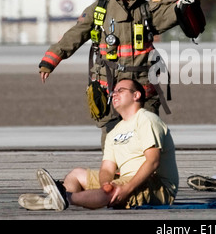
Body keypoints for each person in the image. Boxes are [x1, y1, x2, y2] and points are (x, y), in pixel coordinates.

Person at [38, 0, 206, 148]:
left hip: (143, 90)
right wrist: (50, 61)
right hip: (109, 91)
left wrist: (185, 5)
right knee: (113, 145)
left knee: (149, 143)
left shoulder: (147, 10)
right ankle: (112, 179)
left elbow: (170, 12)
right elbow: (75, 35)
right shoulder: (99, 11)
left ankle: (147, 179)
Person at [18, 78, 179, 211]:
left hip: (156, 185)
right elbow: (107, 168)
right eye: (113, 91)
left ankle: (65, 197)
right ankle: (57, 200)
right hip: (126, 178)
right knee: (77, 174)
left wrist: (127, 188)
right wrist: (105, 183)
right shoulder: (114, 132)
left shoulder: (147, 119)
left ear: (136, 95)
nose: (114, 94)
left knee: (113, 189)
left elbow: (153, 161)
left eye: (120, 90)